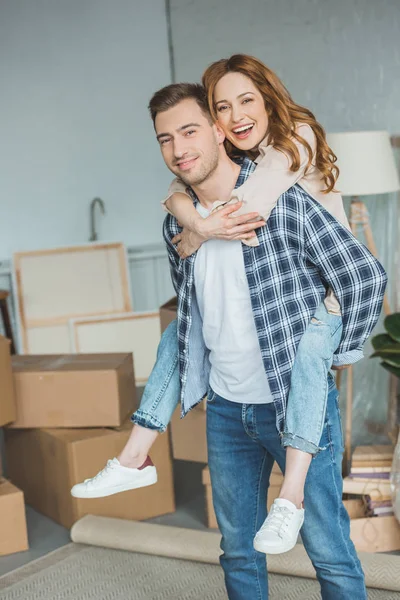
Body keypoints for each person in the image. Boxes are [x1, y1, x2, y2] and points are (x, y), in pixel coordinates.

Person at [70, 56, 385, 558]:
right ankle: (133, 457)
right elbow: (182, 192)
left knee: (328, 544)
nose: (236, 116)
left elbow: (247, 208)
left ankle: (291, 496)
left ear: (267, 101)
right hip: (229, 399)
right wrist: (189, 217)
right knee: (178, 332)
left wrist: (342, 348)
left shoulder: (290, 145)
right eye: (223, 106)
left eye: (246, 101)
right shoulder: (220, 167)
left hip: (321, 306)